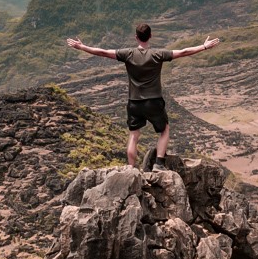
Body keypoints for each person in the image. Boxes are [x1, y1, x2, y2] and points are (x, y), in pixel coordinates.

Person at [66, 23, 220, 171]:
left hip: (134, 102)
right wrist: (204, 46)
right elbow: (183, 51)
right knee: (164, 130)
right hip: (154, 101)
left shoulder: (128, 54)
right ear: (150, 36)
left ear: (136, 37)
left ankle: (131, 167)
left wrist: (82, 47)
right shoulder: (157, 54)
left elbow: (103, 52)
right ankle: (159, 164)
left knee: (134, 135)